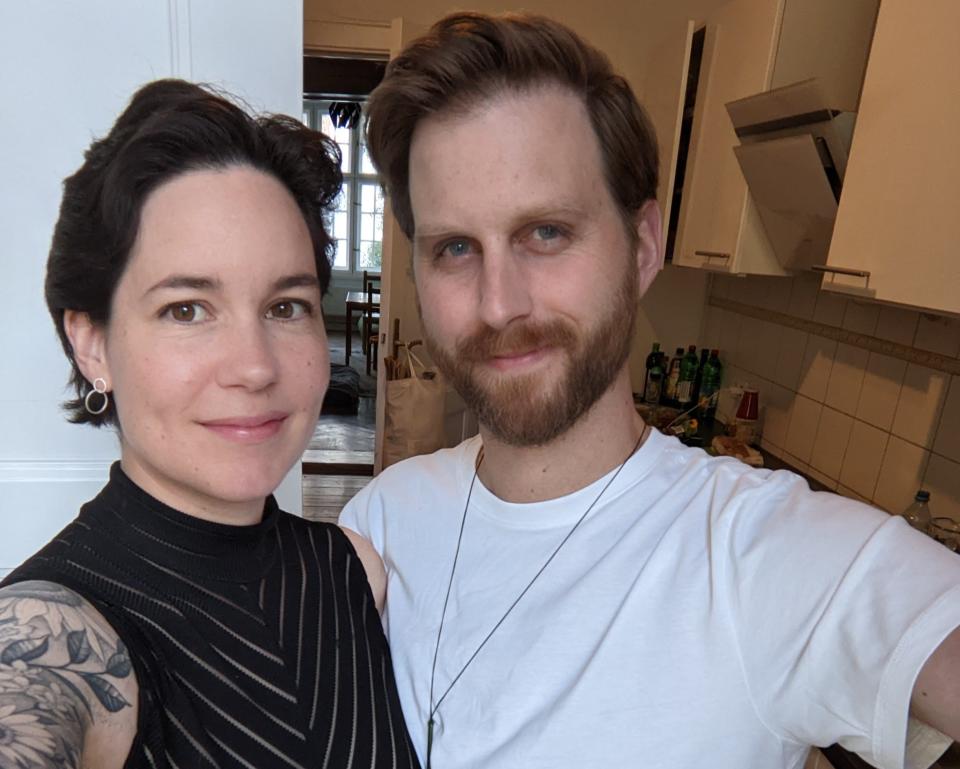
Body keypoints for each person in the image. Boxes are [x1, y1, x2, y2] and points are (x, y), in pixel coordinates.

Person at [339, 12, 960, 769]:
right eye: (456, 247)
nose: (499, 303)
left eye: (546, 233)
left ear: (642, 247)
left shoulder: (758, 556)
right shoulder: (383, 521)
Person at [0, 80, 419, 769]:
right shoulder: (57, 632)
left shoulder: (354, 572)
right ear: (92, 342)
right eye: (187, 309)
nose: (254, 367)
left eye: (287, 307)